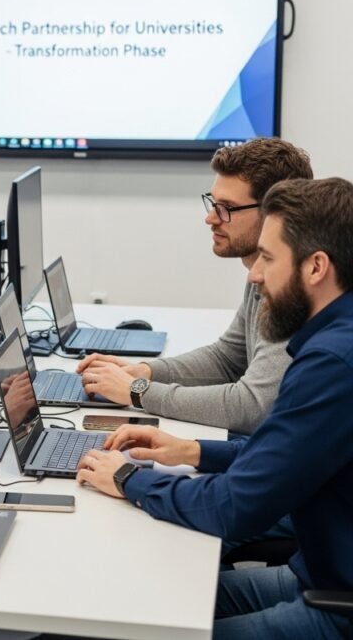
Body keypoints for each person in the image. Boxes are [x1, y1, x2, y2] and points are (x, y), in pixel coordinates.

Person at [76, 177, 353, 639]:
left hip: (335, 610)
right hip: (320, 576)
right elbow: (284, 454)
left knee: (140, 620)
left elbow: (234, 506)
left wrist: (128, 479)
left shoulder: (332, 364)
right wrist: (193, 451)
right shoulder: (332, 340)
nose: (254, 274)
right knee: (147, 598)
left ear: (316, 267)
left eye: (267, 258)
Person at [77, 138, 313, 434]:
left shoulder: (297, 288)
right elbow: (227, 360)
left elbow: (253, 407)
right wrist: (144, 372)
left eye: (227, 208)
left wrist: (138, 391)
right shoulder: (260, 270)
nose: (210, 218)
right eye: (213, 203)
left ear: (274, 213)